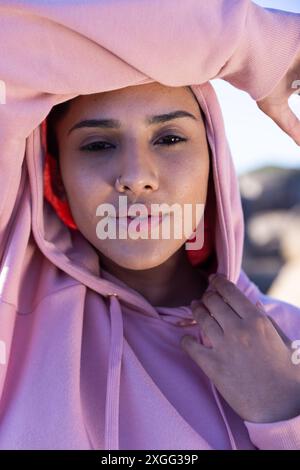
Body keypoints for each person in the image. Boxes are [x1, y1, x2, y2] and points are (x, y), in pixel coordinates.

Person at [0, 0, 299, 451]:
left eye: (170, 138)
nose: (136, 176)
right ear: (56, 177)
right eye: (98, 144)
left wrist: (284, 410)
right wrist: (260, 44)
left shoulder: (289, 339)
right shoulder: (15, 305)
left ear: (214, 160)